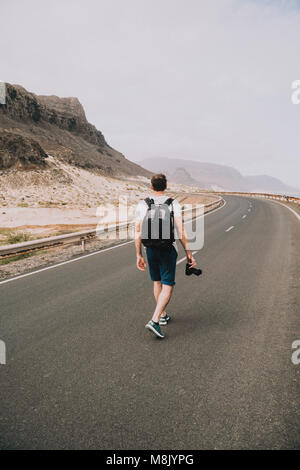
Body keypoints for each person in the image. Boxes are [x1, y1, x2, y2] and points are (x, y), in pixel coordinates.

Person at [135, 173, 196, 339]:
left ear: (151, 187)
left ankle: (162, 315)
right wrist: (188, 253)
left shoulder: (143, 204)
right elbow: (181, 229)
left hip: (150, 249)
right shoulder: (172, 203)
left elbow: (138, 231)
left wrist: (138, 254)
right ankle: (155, 320)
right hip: (168, 249)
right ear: (166, 186)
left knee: (157, 282)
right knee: (168, 284)